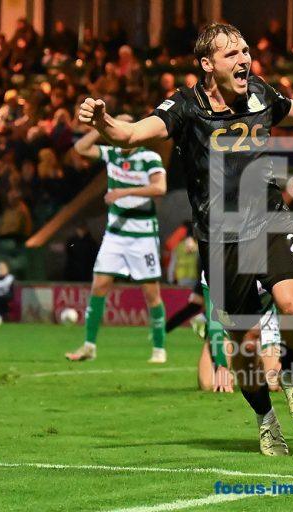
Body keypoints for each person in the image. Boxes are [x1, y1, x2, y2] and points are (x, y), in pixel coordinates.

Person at [77, 22, 293, 456]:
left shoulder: (259, 93)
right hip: (219, 238)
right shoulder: (185, 106)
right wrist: (104, 121)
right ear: (207, 63)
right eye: (232, 53)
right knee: (245, 343)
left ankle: (291, 372)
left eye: (245, 51)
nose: (244, 59)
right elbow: (132, 134)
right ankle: (266, 419)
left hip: (268, 218)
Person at [63, 120, 168, 364]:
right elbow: (80, 148)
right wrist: (100, 127)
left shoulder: (149, 157)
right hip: (115, 235)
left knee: (151, 294)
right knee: (99, 286)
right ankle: (89, 346)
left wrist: (125, 192)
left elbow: (160, 188)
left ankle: (159, 348)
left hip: (143, 236)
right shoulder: (113, 154)